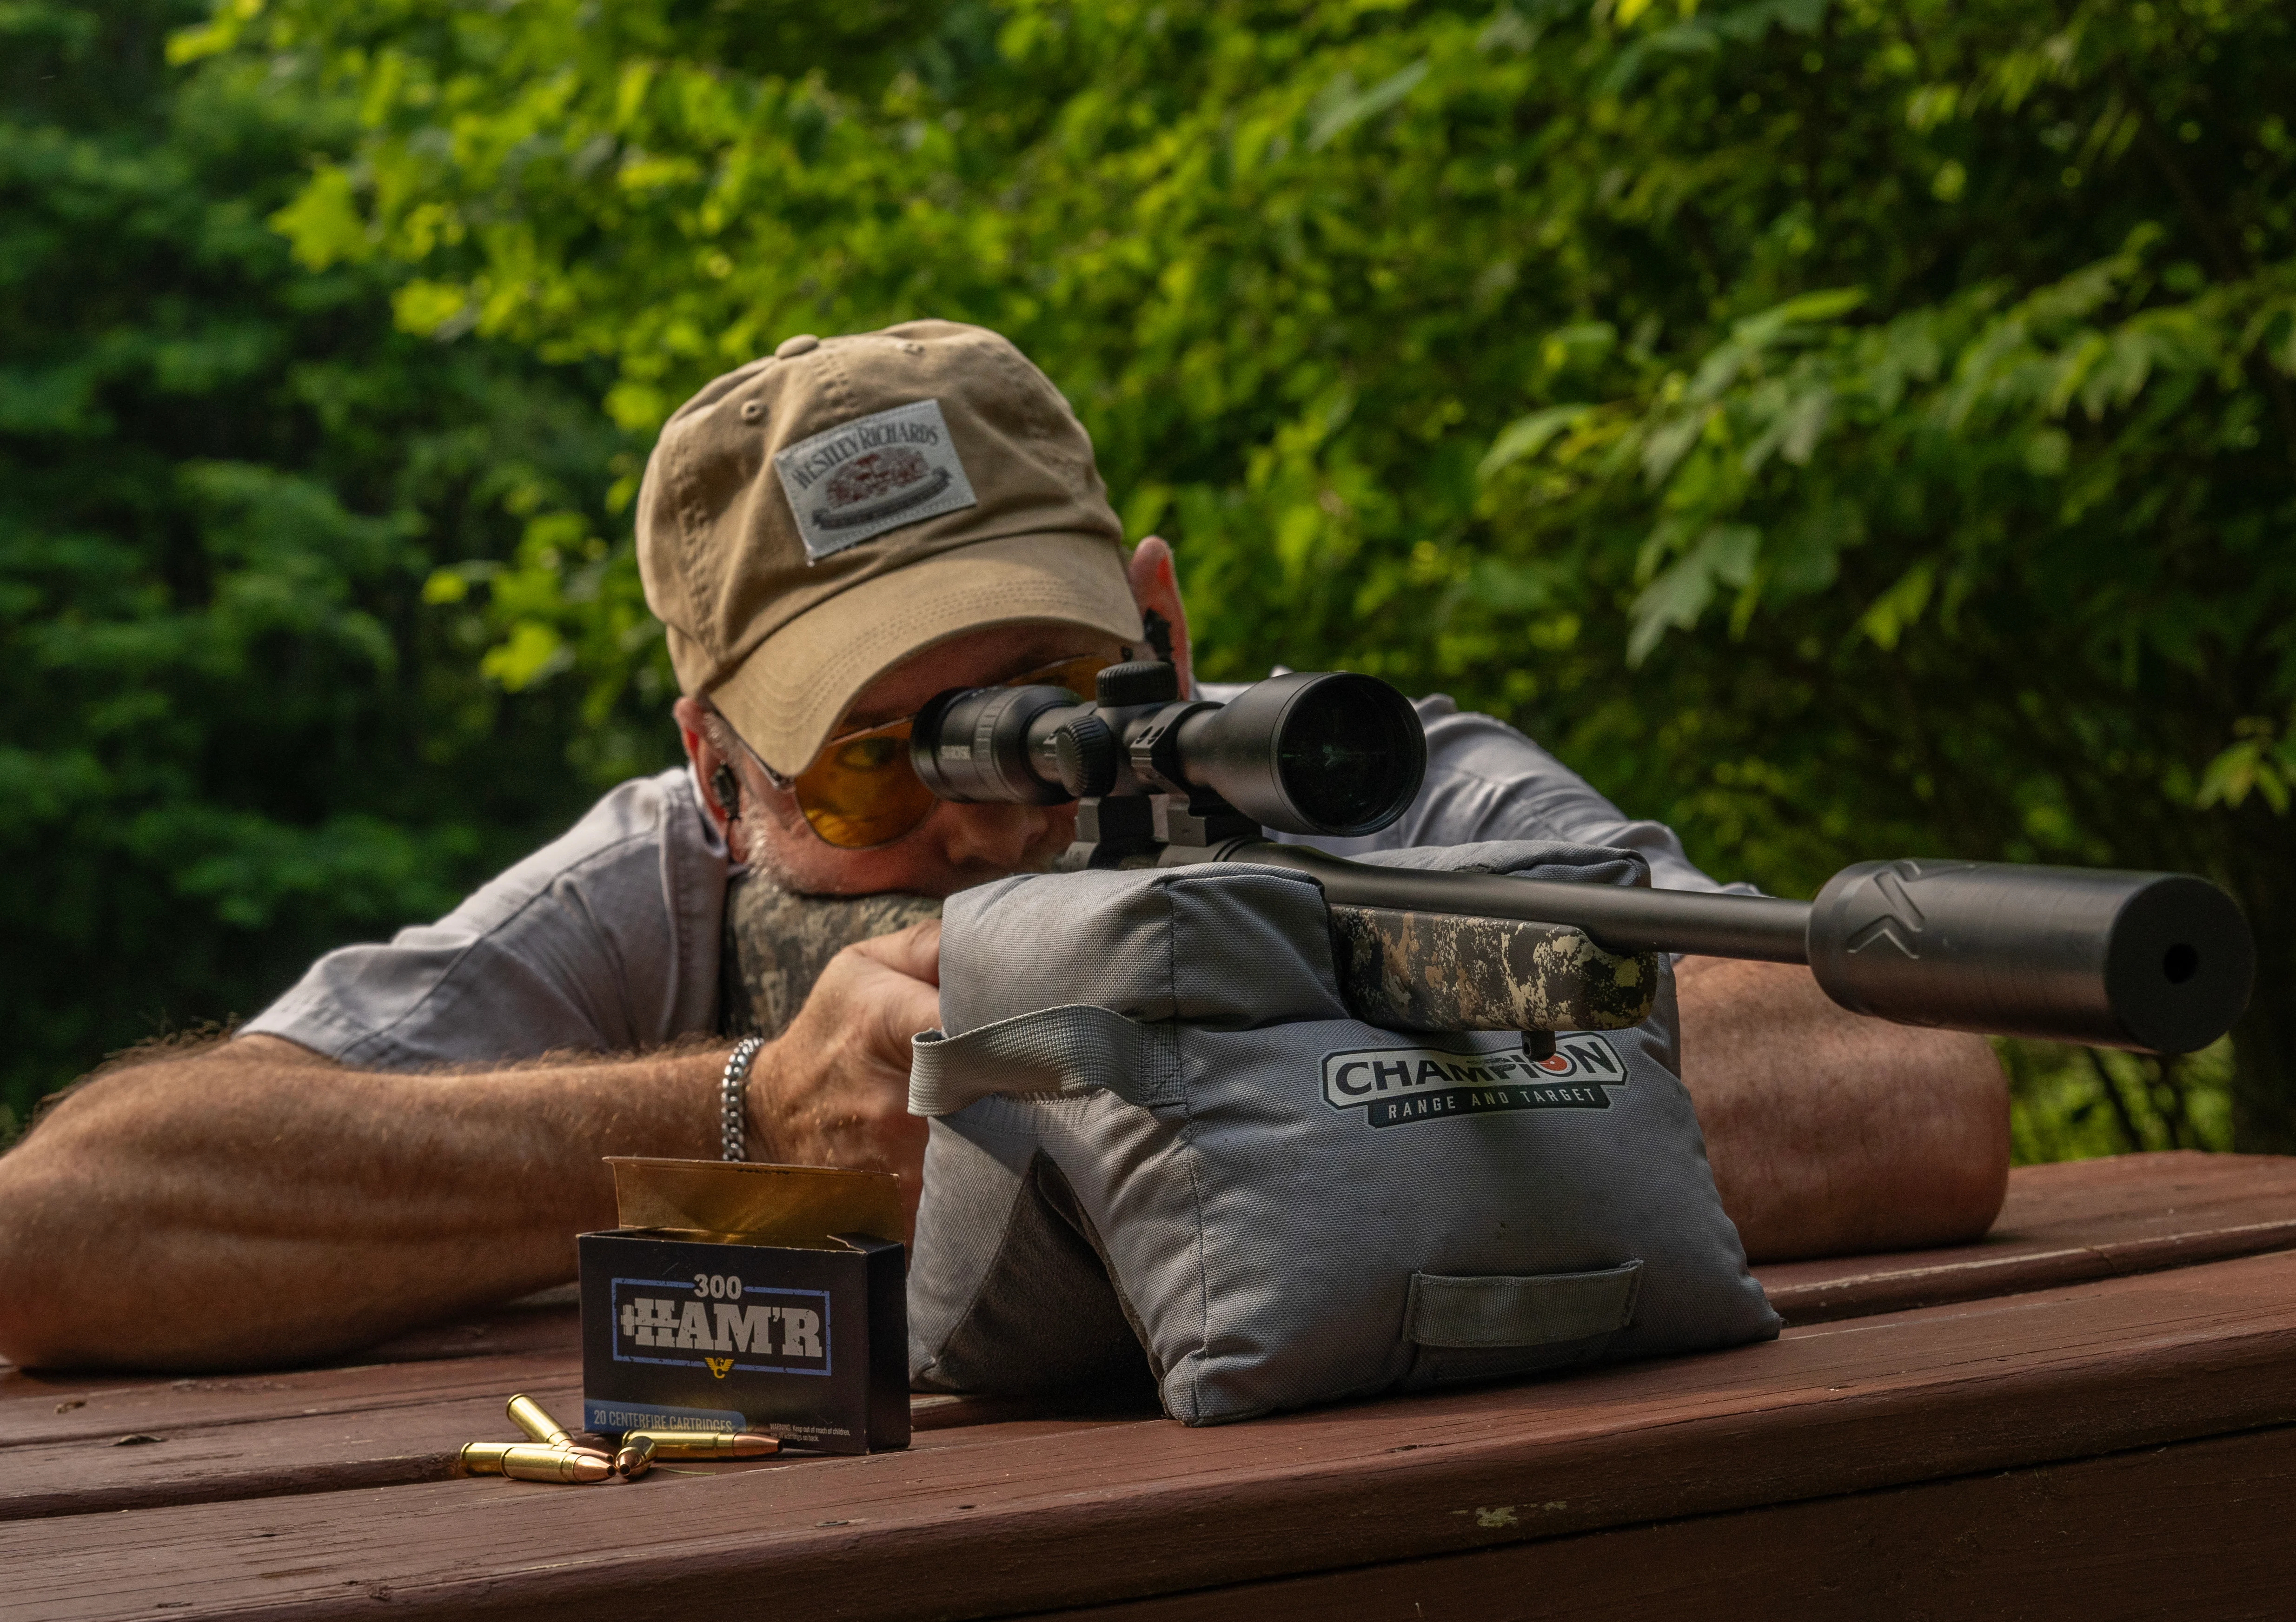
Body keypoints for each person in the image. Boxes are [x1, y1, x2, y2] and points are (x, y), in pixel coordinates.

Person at [0, 323, 2010, 1372]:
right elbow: (64, 1230)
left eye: (1058, 700)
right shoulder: (659, 895)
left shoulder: (1334, 782)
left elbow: (1905, 1079)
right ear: (721, 776)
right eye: (871, 767)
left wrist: (1216, 1075)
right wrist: (743, 1117)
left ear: (1166, 633)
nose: (980, 814)